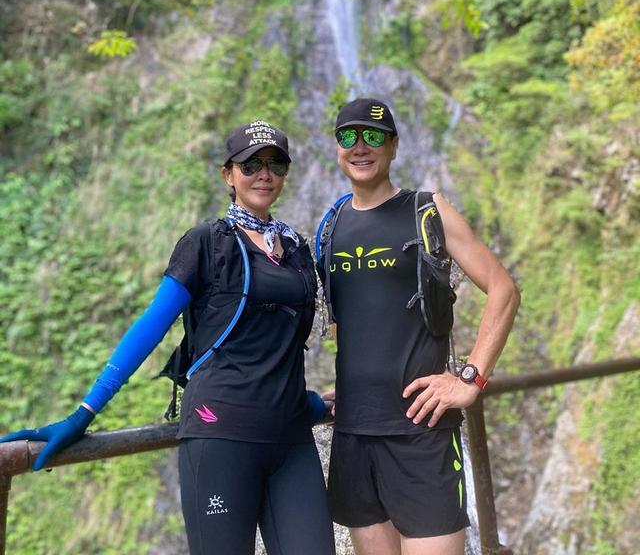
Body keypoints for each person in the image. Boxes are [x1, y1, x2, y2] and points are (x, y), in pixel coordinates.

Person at [0, 119, 336, 555]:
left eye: (276, 163)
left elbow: (282, 342)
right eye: (251, 164)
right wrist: (83, 414)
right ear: (228, 174)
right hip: (221, 436)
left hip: (291, 437)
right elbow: (149, 328)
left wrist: (305, 401)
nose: (264, 174)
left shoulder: (295, 249)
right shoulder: (206, 242)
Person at [317, 98, 520, 555]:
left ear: (393, 146)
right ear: (337, 148)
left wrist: (471, 377)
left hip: (420, 433)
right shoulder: (331, 227)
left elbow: (503, 290)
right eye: (348, 137)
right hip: (353, 435)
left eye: (373, 136)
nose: (360, 146)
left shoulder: (427, 211)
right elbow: (348, 322)